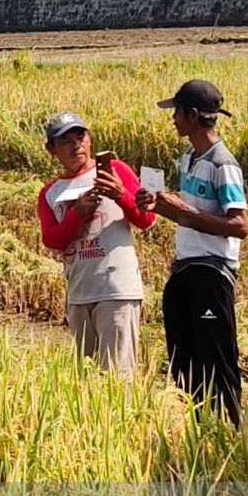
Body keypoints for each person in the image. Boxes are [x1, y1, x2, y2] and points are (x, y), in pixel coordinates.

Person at [136, 80, 248, 426]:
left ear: (194, 115)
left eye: (177, 113)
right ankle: (198, 429)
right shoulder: (189, 158)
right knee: (182, 360)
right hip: (184, 267)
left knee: (216, 359)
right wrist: (157, 204)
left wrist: (185, 215)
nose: (173, 120)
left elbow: (240, 225)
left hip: (211, 271)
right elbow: (186, 209)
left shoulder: (222, 164)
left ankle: (231, 434)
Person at [38, 113, 155, 375]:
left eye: (80, 137)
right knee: (87, 379)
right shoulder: (50, 193)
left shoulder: (117, 171)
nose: (76, 145)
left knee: (117, 378)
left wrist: (120, 194)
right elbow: (52, 240)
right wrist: (77, 213)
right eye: (65, 141)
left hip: (116, 290)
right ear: (51, 149)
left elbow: (147, 219)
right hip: (79, 292)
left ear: (90, 139)